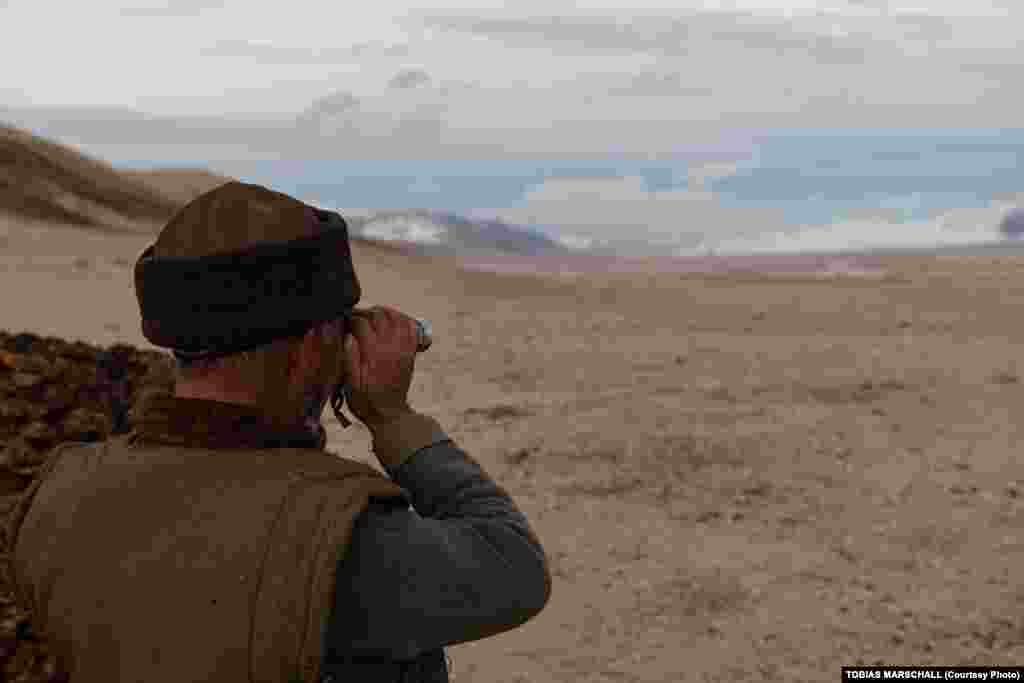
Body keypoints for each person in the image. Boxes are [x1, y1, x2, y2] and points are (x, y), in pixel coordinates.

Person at [6, 181, 551, 682]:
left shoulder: (56, 495)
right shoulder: (343, 540)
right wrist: (393, 419)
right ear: (316, 347)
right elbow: (515, 572)